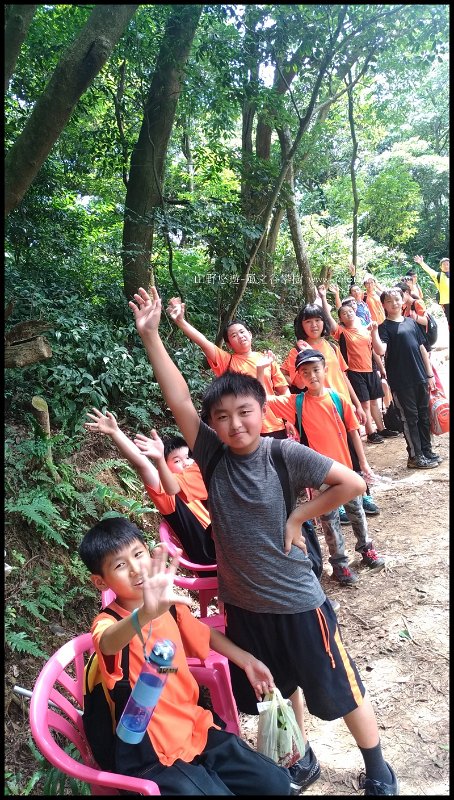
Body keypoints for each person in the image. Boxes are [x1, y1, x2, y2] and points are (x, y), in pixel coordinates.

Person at [128, 285, 399, 797]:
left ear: (262, 410)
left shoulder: (282, 455)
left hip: (297, 601)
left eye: (244, 412)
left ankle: (379, 770)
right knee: (276, 685)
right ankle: (300, 755)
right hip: (245, 607)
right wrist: (151, 336)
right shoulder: (211, 457)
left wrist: (298, 516)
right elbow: (179, 397)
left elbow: (350, 483)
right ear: (211, 424)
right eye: (222, 417)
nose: (235, 424)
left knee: (340, 688)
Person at [78, 518, 291, 795]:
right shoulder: (108, 623)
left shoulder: (169, 608)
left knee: (274, 782)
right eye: (119, 565)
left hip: (194, 726)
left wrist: (247, 661)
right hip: (148, 751)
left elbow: (203, 634)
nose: (135, 569)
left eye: (138, 554)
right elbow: (106, 643)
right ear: (100, 581)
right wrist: (144, 615)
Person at [257, 348, 386, 586]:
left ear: (325, 370)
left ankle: (366, 549)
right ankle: (339, 564)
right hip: (319, 476)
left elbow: (353, 431)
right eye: (305, 372)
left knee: (357, 512)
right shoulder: (296, 403)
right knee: (329, 520)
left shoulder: (338, 398)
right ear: (299, 377)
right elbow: (262, 399)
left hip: (346, 471)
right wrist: (260, 371)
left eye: (316, 369)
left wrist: (363, 463)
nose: (312, 375)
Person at [281, 302, 380, 521]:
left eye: (318, 320)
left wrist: (356, 403)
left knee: (352, 450)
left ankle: (362, 492)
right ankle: (338, 501)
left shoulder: (332, 346)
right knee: (326, 457)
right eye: (308, 321)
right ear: (301, 325)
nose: (314, 325)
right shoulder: (296, 351)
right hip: (317, 410)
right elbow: (291, 379)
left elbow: (343, 376)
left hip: (341, 404)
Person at [85, 408, 216, 569]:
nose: (186, 463)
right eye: (176, 461)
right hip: (214, 563)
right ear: (164, 469)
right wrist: (115, 432)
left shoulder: (202, 481)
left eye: (188, 457)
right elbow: (143, 465)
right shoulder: (169, 497)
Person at [166, 297, 290, 438]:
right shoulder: (227, 361)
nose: (240, 336)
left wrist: (289, 418)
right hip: (244, 427)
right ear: (229, 344)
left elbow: (284, 390)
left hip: (275, 423)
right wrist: (181, 322)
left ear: (250, 334)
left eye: (242, 332)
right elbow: (204, 343)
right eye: (234, 335)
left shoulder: (267, 359)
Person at [318, 285, 399, 444]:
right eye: (344, 313)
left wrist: (381, 368)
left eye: (350, 311)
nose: (348, 314)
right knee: (365, 404)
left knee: (374, 401)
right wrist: (323, 297)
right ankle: (370, 432)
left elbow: (373, 350)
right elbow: (328, 320)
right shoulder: (341, 331)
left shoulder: (365, 329)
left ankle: (381, 429)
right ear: (341, 319)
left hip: (370, 369)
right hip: (354, 372)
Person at [375, 287, 442, 470]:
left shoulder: (411, 323)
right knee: (410, 418)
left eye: (397, 299)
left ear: (403, 300)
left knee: (424, 416)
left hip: (420, 376)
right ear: (384, 305)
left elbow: (422, 349)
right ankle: (415, 456)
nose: (394, 303)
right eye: (389, 301)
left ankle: (427, 451)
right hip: (401, 382)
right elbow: (381, 350)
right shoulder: (384, 328)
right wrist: (373, 332)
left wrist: (429, 374)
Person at [414, 254, 449, 326]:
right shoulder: (438, 275)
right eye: (444, 265)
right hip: (446, 302)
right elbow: (429, 270)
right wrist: (421, 263)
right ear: (441, 267)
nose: (446, 266)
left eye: (448, 264)